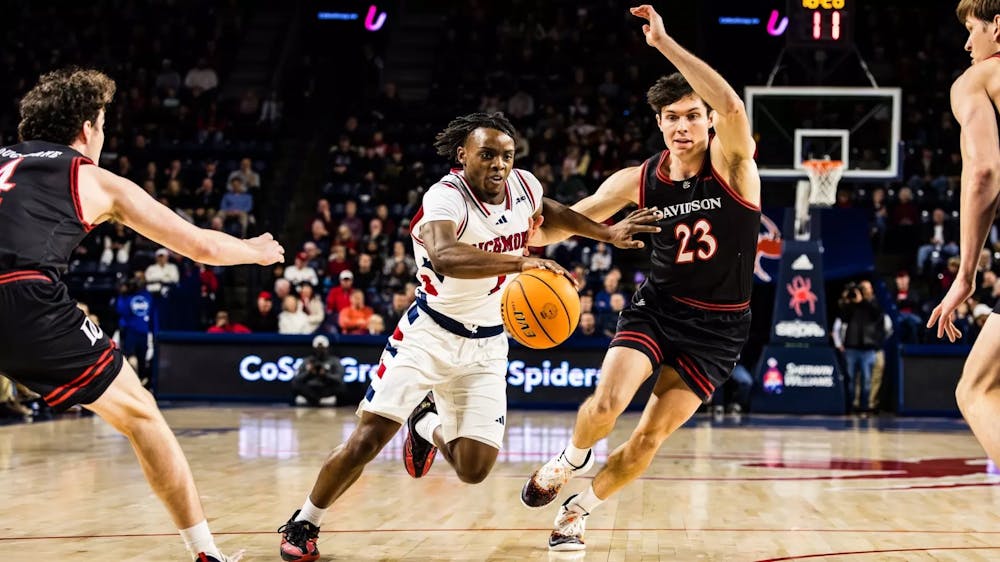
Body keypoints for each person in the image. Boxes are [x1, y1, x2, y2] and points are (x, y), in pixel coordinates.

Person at [276, 111, 659, 561]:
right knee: (368, 439)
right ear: (464, 156)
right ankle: (305, 521)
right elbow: (444, 255)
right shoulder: (445, 197)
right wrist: (520, 262)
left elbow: (547, 210)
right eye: (489, 155)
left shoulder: (523, 186)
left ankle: (425, 423)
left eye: (508, 156)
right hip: (430, 334)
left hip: (489, 343)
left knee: (474, 469)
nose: (500, 165)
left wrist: (606, 233)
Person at [0, 68, 283, 562]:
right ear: (87, 129)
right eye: (104, 124)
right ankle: (205, 554)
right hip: (23, 298)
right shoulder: (92, 177)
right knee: (142, 416)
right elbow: (198, 245)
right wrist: (254, 250)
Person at [519, 6, 761, 551]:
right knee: (606, 404)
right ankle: (570, 457)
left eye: (692, 115)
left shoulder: (735, 166)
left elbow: (732, 103)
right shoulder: (639, 178)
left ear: (709, 121)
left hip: (720, 329)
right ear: (658, 123)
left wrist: (664, 43)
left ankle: (578, 510)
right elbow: (575, 218)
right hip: (659, 308)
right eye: (672, 117)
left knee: (648, 437)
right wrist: (520, 239)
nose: (683, 126)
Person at [927, 0, 1000, 468]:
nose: (967, 43)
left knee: (976, 388)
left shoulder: (976, 79)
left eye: (972, 29)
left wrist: (965, 275)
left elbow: (983, 172)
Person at [291, 335, 345, 407]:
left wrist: (325, 375)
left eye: (322, 348)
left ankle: (317, 400)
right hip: (310, 389)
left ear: (327, 348)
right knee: (295, 384)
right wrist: (309, 373)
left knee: (341, 386)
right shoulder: (307, 361)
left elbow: (339, 379)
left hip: (326, 389)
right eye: (318, 348)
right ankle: (314, 400)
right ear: (314, 348)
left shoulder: (334, 361)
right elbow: (297, 379)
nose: (320, 351)